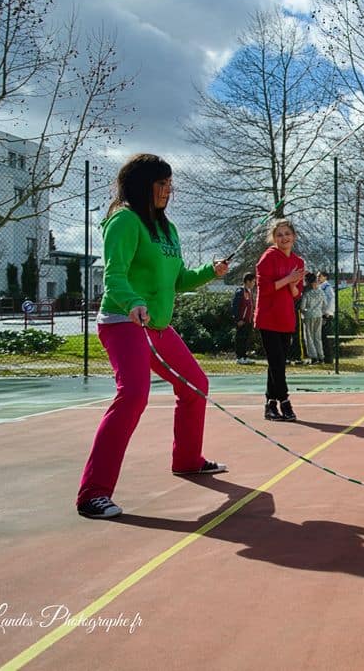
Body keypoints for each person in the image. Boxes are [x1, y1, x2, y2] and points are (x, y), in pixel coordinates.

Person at [77, 154, 229, 520]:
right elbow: (114, 276)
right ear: (142, 185)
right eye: (161, 184)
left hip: (157, 328)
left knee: (195, 384)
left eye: (170, 184)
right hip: (122, 322)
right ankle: (92, 494)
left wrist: (211, 271)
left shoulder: (168, 229)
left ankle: (188, 460)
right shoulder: (124, 220)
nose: (167, 191)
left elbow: (178, 280)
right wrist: (133, 302)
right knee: (133, 396)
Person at [254, 219, 305, 422]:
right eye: (279, 235)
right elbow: (265, 288)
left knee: (278, 363)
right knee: (277, 363)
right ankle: (284, 401)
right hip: (268, 317)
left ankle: (270, 405)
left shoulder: (298, 262)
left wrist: (293, 283)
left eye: (287, 234)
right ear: (274, 238)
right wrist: (287, 279)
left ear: (294, 236)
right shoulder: (267, 258)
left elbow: (296, 294)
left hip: (285, 318)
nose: (284, 238)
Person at [299, 272, 325, 364]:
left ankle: (313, 356)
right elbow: (324, 304)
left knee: (309, 336)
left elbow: (302, 307)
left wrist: (304, 311)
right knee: (317, 336)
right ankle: (321, 356)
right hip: (319, 315)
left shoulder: (306, 293)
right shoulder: (321, 292)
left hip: (308, 316)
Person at [231, 272, 256, 364]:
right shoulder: (240, 291)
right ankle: (239, 357)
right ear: (248, 281)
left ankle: (244, 357)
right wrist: (238, 319)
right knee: (240, 339)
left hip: (248, 321)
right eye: (253, 281)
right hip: (241, 321)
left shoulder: (249, 292)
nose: (254, 284)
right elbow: (235, 307)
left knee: (245, 339)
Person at [318, 271, 336, 363]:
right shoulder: (321, 287)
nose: (318, 277)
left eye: (320, 276)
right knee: (322, 336)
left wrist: (327, 312)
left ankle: (329, 358)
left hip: (326, 314)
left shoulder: (327, 287)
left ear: (325, 277)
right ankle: (325, 356)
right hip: (322, 314)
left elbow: (331, 300)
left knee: (326, 337)